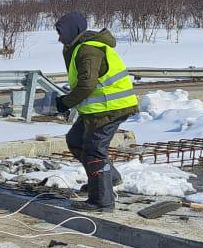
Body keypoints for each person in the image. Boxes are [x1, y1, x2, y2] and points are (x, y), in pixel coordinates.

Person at [53, 12, 140, 212]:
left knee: (94, 151)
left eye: (60, 33)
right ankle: (108, 178)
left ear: (72, 31)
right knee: (75, 140)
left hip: (111, 107)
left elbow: (86, 86)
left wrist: (65, 103)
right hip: (98, 109)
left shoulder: (88, 50)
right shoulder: (78, 48)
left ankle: (102, 200)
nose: (59, 38)